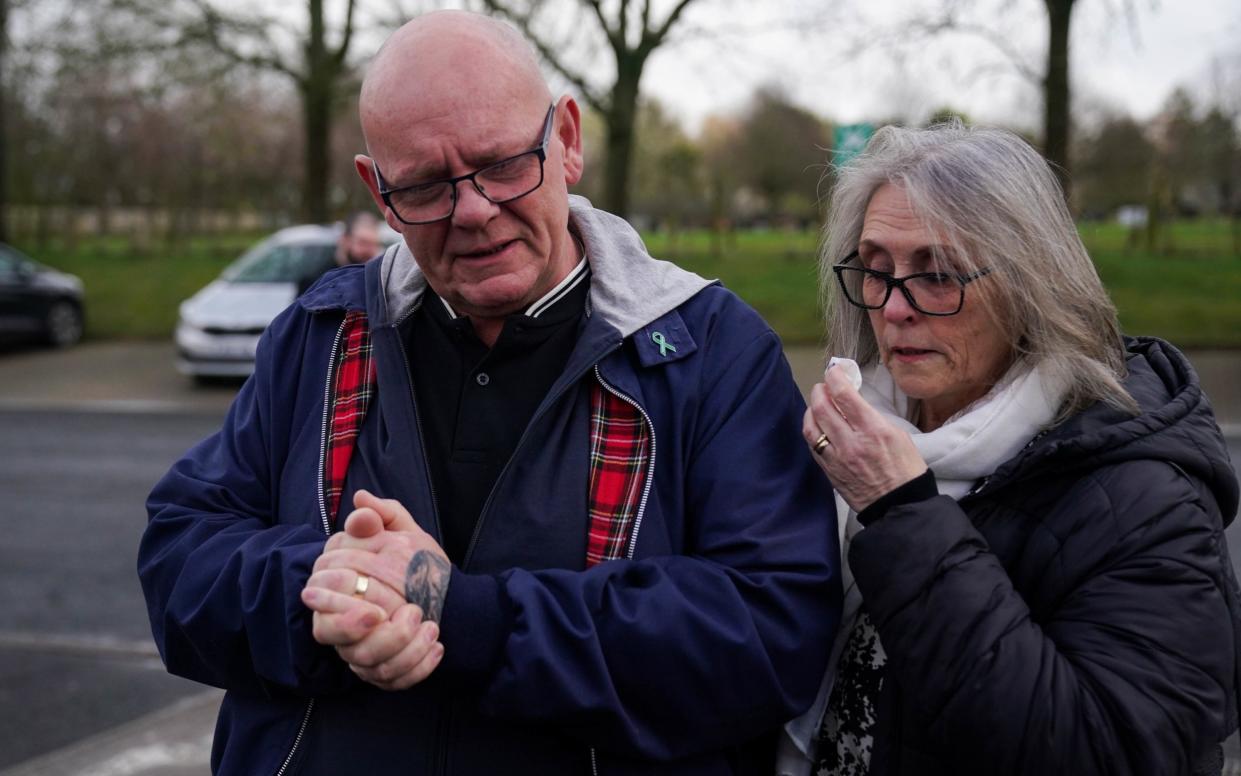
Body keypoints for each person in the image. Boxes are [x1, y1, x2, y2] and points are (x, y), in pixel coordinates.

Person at [137, 10, 841, 775]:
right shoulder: (319, 333)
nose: (472, 211)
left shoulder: (711, 353)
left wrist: (464, 617)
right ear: (378, 189)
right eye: (428, 185)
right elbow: (181, 555)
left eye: (504, 163)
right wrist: (326, 595)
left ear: (566, 140)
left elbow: (773, 632)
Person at [778, 121, 1241, 776]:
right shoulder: (857, 431)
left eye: (936, 274)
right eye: (875, 269)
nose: (892, 308)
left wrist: (902, 513)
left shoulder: (1143, 497)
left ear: (1031, 287)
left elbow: (1110, 753)